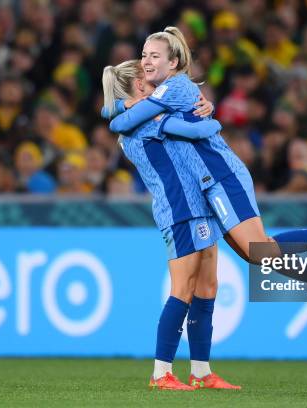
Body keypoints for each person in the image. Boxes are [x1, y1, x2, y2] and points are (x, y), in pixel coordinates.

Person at [108, 25, 307, 327]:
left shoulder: (173, 89)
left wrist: (204, 120)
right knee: (255, 254)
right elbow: (122, 118)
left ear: (173, 62)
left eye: (153, 56)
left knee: (257, 247)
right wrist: (124, 106)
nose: (146, 62)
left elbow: (132, 124)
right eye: (144, 56)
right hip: (207, 185)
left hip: (221, 176)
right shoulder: (162, 97)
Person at [103, 60, 240, 390]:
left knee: (207, 287)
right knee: (183, 288)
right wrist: (212, 115)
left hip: (198, 205)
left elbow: (109, 109)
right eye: (146, 74)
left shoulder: (136, 113)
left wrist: (203, 105)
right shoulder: (141, 123)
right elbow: (195, 130)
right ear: (139, 85)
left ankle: (201, 371)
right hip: (178, 210)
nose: (154, 77)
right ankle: (160, 372)